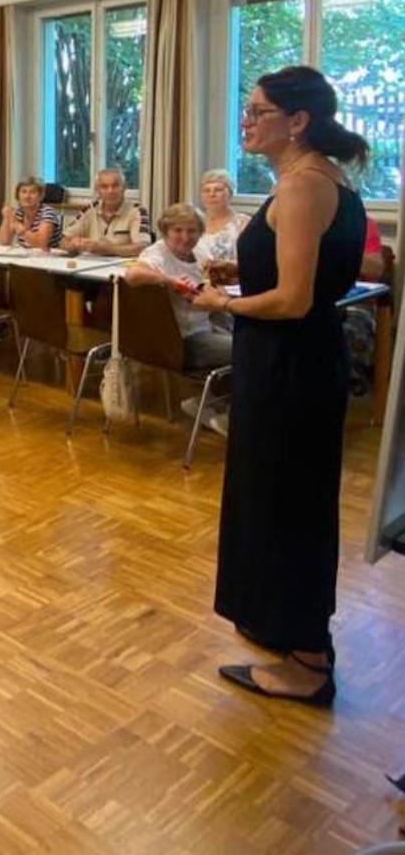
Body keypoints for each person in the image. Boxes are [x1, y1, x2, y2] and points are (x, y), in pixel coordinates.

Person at [191, 65, 370, 705]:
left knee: (289, 509)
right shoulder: (318, 180)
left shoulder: (301, 188)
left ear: (298, 121)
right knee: (277, 500)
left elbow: (294, 301)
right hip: (295, 363)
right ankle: (287, 632)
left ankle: (307, 664)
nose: (247, 121)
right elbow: (314, 277)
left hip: (291, 367)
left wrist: (223, 299)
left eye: (258, 112)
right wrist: (248, 267)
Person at [125, 204, 233, 435]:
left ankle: (215, 404)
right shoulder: (157, 253)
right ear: (166, 231)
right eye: (178, 230)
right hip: (182, 341)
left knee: (260, 341)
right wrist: (170, 281)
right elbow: (132, 275)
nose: (185, 237)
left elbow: (211, 285)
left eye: (192, 231)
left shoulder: (201, 252)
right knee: (248, 350)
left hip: (206, 325)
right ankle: (211, 406)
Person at [61, 168, 151, 257]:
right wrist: (73, 245)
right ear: (97, 190)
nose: (110, 191)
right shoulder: (90, 209)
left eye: (115, 186)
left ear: (124, 188)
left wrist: (106, 249)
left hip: (122, 268)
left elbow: (143, 247)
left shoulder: (137, 211)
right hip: (89, 266)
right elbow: (63, 240)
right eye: (104, 187)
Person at [195, 169, 251, 265]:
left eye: (218, 190)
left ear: (230, 194)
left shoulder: (243, 223)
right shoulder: (194, 222)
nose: (212, 195)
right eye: (206, 191)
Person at [0, 177, 62, 250]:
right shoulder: (18, 212)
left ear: (40, 196)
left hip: (50, 258)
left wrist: (18, 226)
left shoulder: (48, 212)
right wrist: (7, 218)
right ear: (18, 195)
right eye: (23, 192)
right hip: (26, 257)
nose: (27, 196)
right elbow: (3, 242)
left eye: (32, 192)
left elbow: (41, 244)